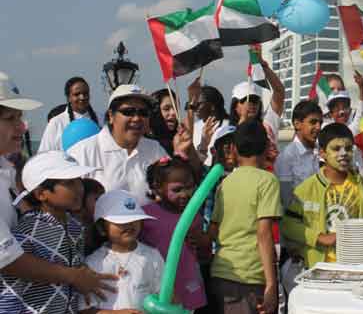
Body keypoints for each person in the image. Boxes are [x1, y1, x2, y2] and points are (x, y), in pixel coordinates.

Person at [0, 71, 116, 305]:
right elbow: (7, 259)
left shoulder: (6, 171)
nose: (21, 127)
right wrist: (73, 276)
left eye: (19, 118)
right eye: (11, 118)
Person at [0, 151, 97, 313]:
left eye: (78, 180)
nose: (79, 188)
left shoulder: (76, 228)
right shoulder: (26, 231)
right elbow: (9, 289)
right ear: (41, 194)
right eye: (69, 183)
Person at [70, 85, 194, 206]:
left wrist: (179, 154)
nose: (136, 118)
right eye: (128, 112)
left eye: (143, 113)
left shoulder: (155, 149)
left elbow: (174, 195)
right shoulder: (82, 153)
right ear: (111, 116)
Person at [210, 119, 282, 314]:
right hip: (249, 277)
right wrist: (271, 284)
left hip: (222, 272)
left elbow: (213, 230)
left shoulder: (225, 182)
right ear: (266, 147)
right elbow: (264, 234)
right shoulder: (267, 181)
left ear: (233, 148)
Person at [282, 123, 363, 268]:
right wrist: (319, 238)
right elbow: (288, 225)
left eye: (348, 148)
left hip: (355, 263)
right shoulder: (307, 189)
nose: (343, 154)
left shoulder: (361, 185)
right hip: (320, 266)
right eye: (336, 149)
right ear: (322, 153)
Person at [140, 155, 209, 312]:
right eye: (177, 189)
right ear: (157, 187)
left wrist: (202, 242)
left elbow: (203, 257)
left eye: (190, 187)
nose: (185, 194)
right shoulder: (145, 216)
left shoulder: (194, 216)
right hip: (157, 293)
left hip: (188, 288)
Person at [79, 189, 164, 314]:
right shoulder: (92, 263)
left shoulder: (152, 255)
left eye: (134, 219)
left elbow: (163, 294)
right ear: (101, 228)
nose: (129, 224)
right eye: (122, 221)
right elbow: (85, 309)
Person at [275, 100, 323, 208]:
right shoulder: (286, 157)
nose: (318, 127)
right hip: (298, 222)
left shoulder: (323, 152)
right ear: (297, 124)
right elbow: (287, 201)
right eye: (313, 122)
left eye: (320, 123)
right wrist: (317, 208)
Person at [39, 77, 101, 153]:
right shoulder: (56, 122)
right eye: (77, 94)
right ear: (68, 97)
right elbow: (44, 154)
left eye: (85, 93)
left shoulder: (102, 119)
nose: (82, 97)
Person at [189, 85, 230, 164]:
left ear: (212, 106)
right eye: (194, 104)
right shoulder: (194, 127)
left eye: (198, 104)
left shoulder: (229, 127)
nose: (195, 107)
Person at [79, 179, 106, 257]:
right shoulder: (73, 229)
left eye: (104, 199)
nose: (102, 203)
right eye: (97, 199)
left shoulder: (102, 226)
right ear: (80, 200)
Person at [148, 88, 179, 154]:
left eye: (176, 108)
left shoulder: (180, 139)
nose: (173, 113)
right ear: (155, 111)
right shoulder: (144, 142)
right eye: (166, 109)